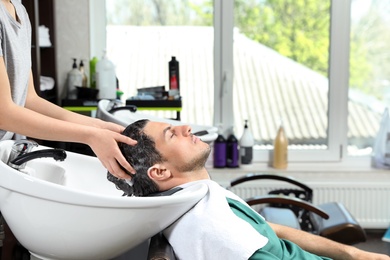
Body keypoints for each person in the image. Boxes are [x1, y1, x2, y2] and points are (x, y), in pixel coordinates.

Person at [108, 119, 389, 260]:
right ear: (160, 172)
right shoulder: (214, 229)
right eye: (172, 134)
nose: (186, 127)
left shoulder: (201, 195)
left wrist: (356, 255)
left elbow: (268, 228)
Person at [0, 0, 135, 179]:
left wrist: (99, 126)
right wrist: (91, 135)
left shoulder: (20, 11)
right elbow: (4, 114)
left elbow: (29, 99)